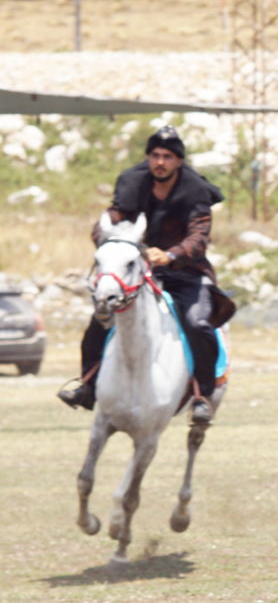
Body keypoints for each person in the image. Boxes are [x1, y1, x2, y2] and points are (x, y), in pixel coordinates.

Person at [59, 125, 234, 424]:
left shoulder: (195, 190)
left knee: (198, 323)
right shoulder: (132, 183)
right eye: (155, 155)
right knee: (100, 319)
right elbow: (113, 217)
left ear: (178, 160)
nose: (160, 162)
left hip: (185, 273)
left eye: (167, 156)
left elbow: (198, 238)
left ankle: (202, 396)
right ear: (148, 157)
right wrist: (109, 236)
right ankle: (87, 384)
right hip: (137, 272)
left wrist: (170, 254)